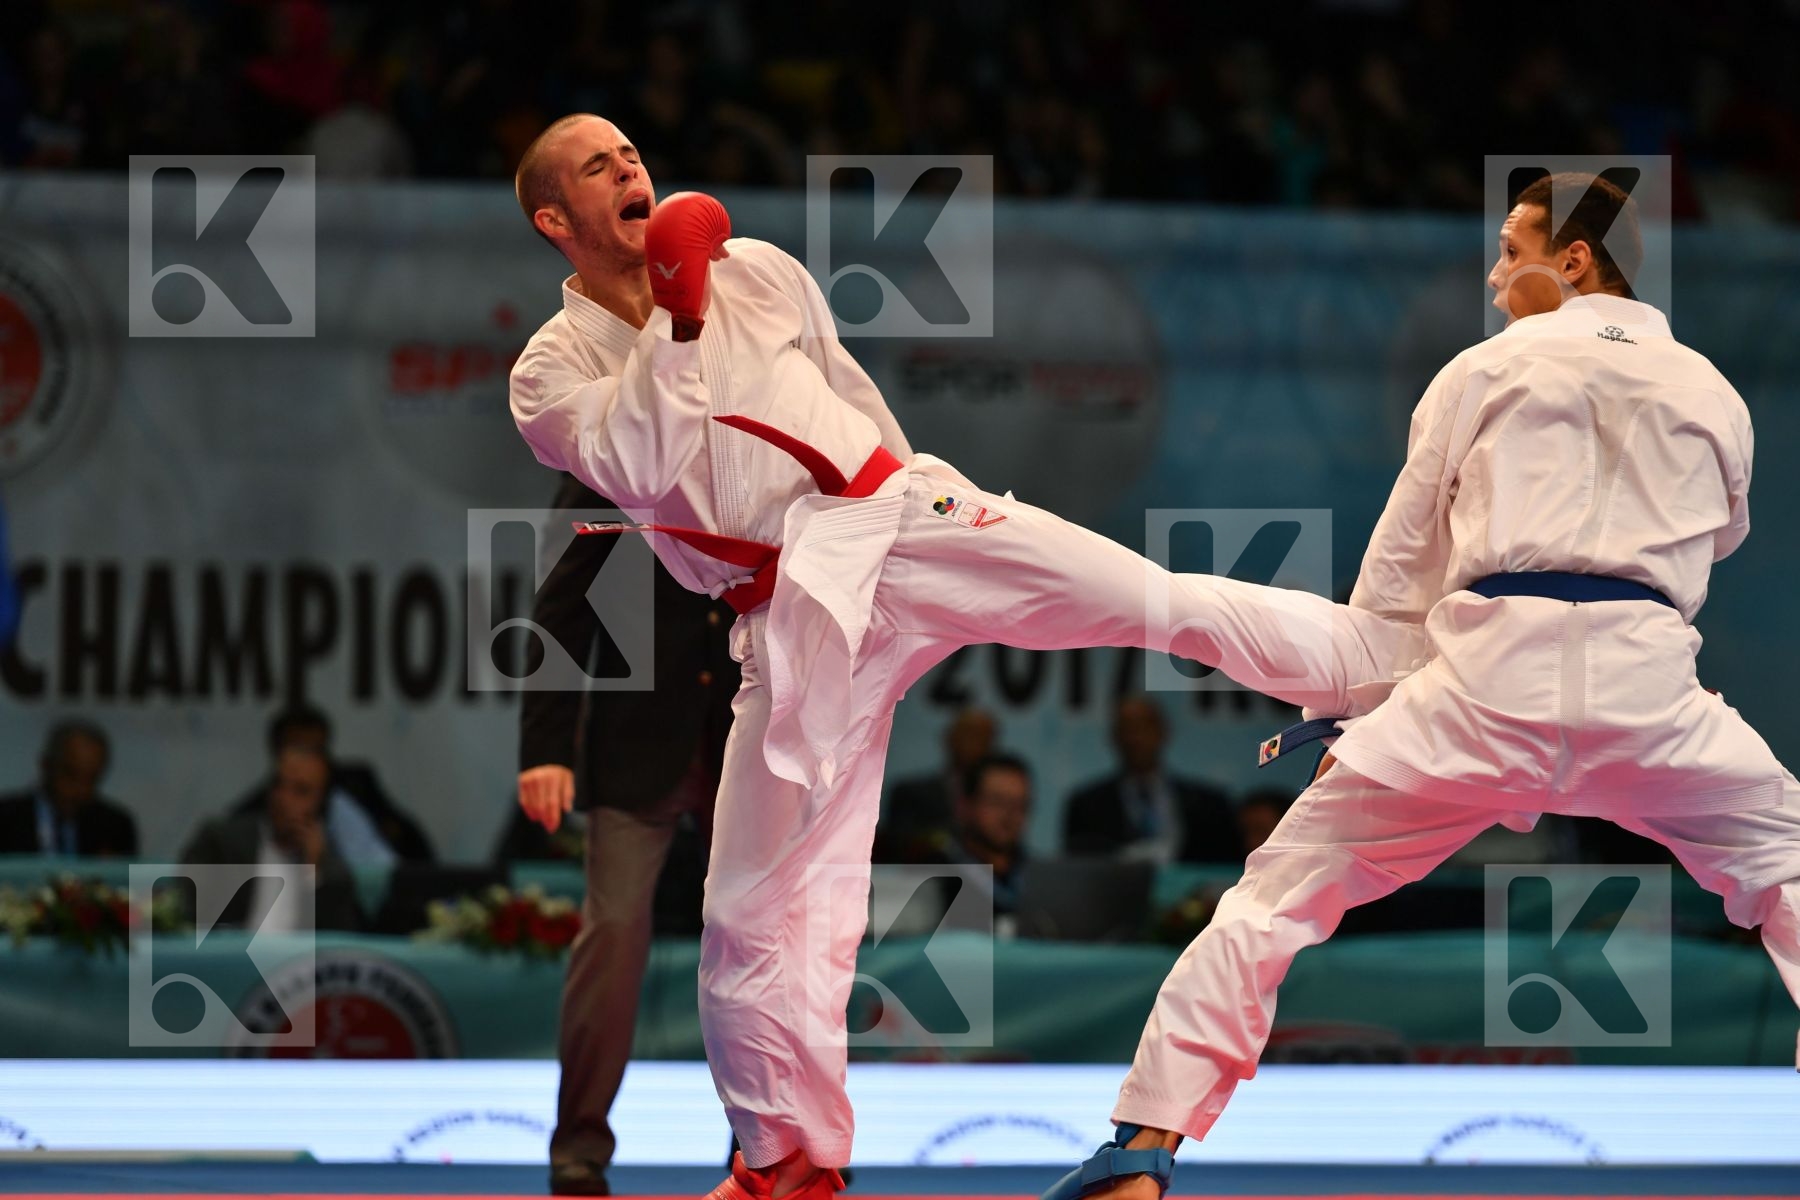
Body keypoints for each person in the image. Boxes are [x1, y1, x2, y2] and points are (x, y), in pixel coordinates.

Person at [507, 113, 1418, 1200]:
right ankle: (785, 1158)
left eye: (631, 153)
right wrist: (680, 312)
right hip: (789, 619)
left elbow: (845, 391)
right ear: (554, 218)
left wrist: (903, 487)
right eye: (597, 167)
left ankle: (1391, 672)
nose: (630, 169)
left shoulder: (756, 268)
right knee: (751, 908)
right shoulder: (548, 370)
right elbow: (643, 468)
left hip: (892, 523)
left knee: (1148, 600)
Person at [1042, 173, 1800, 1200]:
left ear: (1574, 259)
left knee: (1273, 904)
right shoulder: (1716, 391)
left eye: (1511, 248)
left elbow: (1398, 578)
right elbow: (1716, 540)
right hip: (1649, 685)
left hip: (1485, 686)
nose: (1493, 277)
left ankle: (1143, 1150)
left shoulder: (1482, 371)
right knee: (1788, 870)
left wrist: (1354, 705)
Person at [511, 471, 738, 1197]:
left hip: (754, 736)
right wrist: (547, 747)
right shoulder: (619, 462)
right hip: (638, 740)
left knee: (768, 942)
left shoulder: (779, 451)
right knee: (611, 933)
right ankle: (578, 1144)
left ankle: (776, 1147)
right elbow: (561, 608)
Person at [182, 744, 363, 931]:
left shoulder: (333, 875)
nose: (284, 798)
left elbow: (338, 947)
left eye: (301, 791)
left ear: (322, 802)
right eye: (278, 784)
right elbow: (184, 910)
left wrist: (312, 873)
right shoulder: (221, 842)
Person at [230, 704, 434, 864]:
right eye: (298, 749)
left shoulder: (355, 791)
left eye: (316, 750)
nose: (306, 760)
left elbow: (400, 862)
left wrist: (315, 868)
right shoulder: (240, 824)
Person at [1063, 696, 1239, 864]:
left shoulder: (1210, 805)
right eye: (1126, 728)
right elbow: (1080, 873)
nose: (1135, 738)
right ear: (1113, 736)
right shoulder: (1086, 806)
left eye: (1144, 726)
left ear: (1163, 731)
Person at [0, 720, 138, 857]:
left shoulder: (116, 826)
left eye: (91, 780)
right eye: (71, 775)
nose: (81, 790)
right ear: (46, 765)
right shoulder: (5, 818)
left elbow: (139, 878)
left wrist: (111, 873)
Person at [877, 706, 997, 862]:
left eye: (984, 737)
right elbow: (896, 846)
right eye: (969, 734)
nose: (976, 744)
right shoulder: (909, 794)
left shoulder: (996, 801)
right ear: (949, 738)